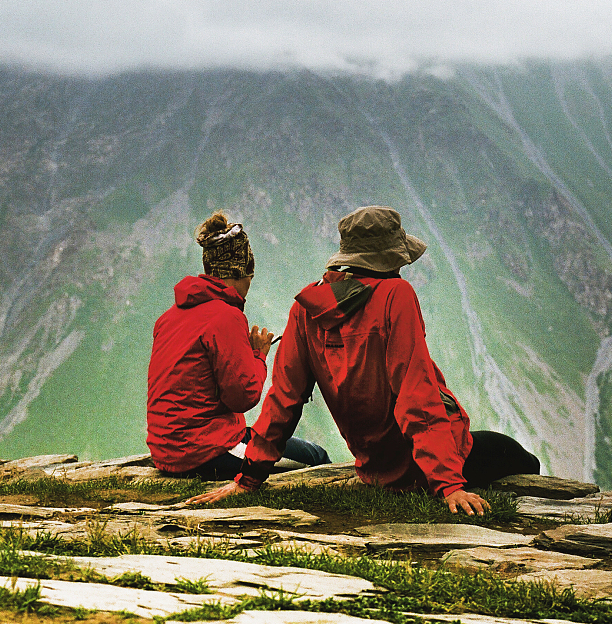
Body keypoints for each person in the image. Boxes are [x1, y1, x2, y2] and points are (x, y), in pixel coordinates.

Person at [186, 205, 540, 511]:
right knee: (523, 459)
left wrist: (248, 478)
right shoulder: (396, 295)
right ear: (390, 259)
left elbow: (284, 400)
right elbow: (416, 393)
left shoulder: (305, 309)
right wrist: (449, 485)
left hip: (374, 467)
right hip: (421, 466)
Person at [146, 211, 327, 481]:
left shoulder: (169, 318)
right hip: (205, 450)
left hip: (165, 451)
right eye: (249, 277)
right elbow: (243, 396)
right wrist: (258, 355)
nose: (249, 285)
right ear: (239, 274)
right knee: (316, 457)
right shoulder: (226, 317)